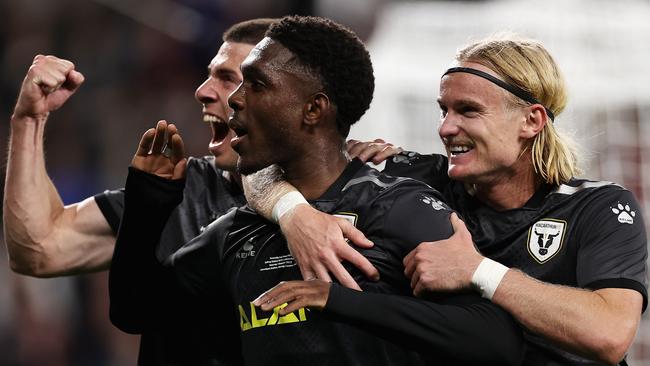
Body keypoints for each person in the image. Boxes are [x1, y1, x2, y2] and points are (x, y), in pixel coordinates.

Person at [109, 16, 524, 365]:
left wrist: (337, 301)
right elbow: (137, 310)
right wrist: (149, 202)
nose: (234, 99)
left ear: (313, 109)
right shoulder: (239, 229)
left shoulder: (396, 206)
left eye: (256, 84)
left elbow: (497, 340)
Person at [3, 18, 382, 365]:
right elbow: (40, 249)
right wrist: (29, 119)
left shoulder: (366, 192)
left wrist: (446, 254)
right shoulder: (175, 192)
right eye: (209, 76)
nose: (203, 91)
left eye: (232, 79)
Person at [251, 34, 648, 366]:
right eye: (444, 110)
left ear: (532, 120)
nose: (446, 127)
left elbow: (609, 335)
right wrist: (294, 213)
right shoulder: (413, 178)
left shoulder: (599, 207)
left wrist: (477, 270)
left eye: (468, 110)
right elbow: (258, 166)